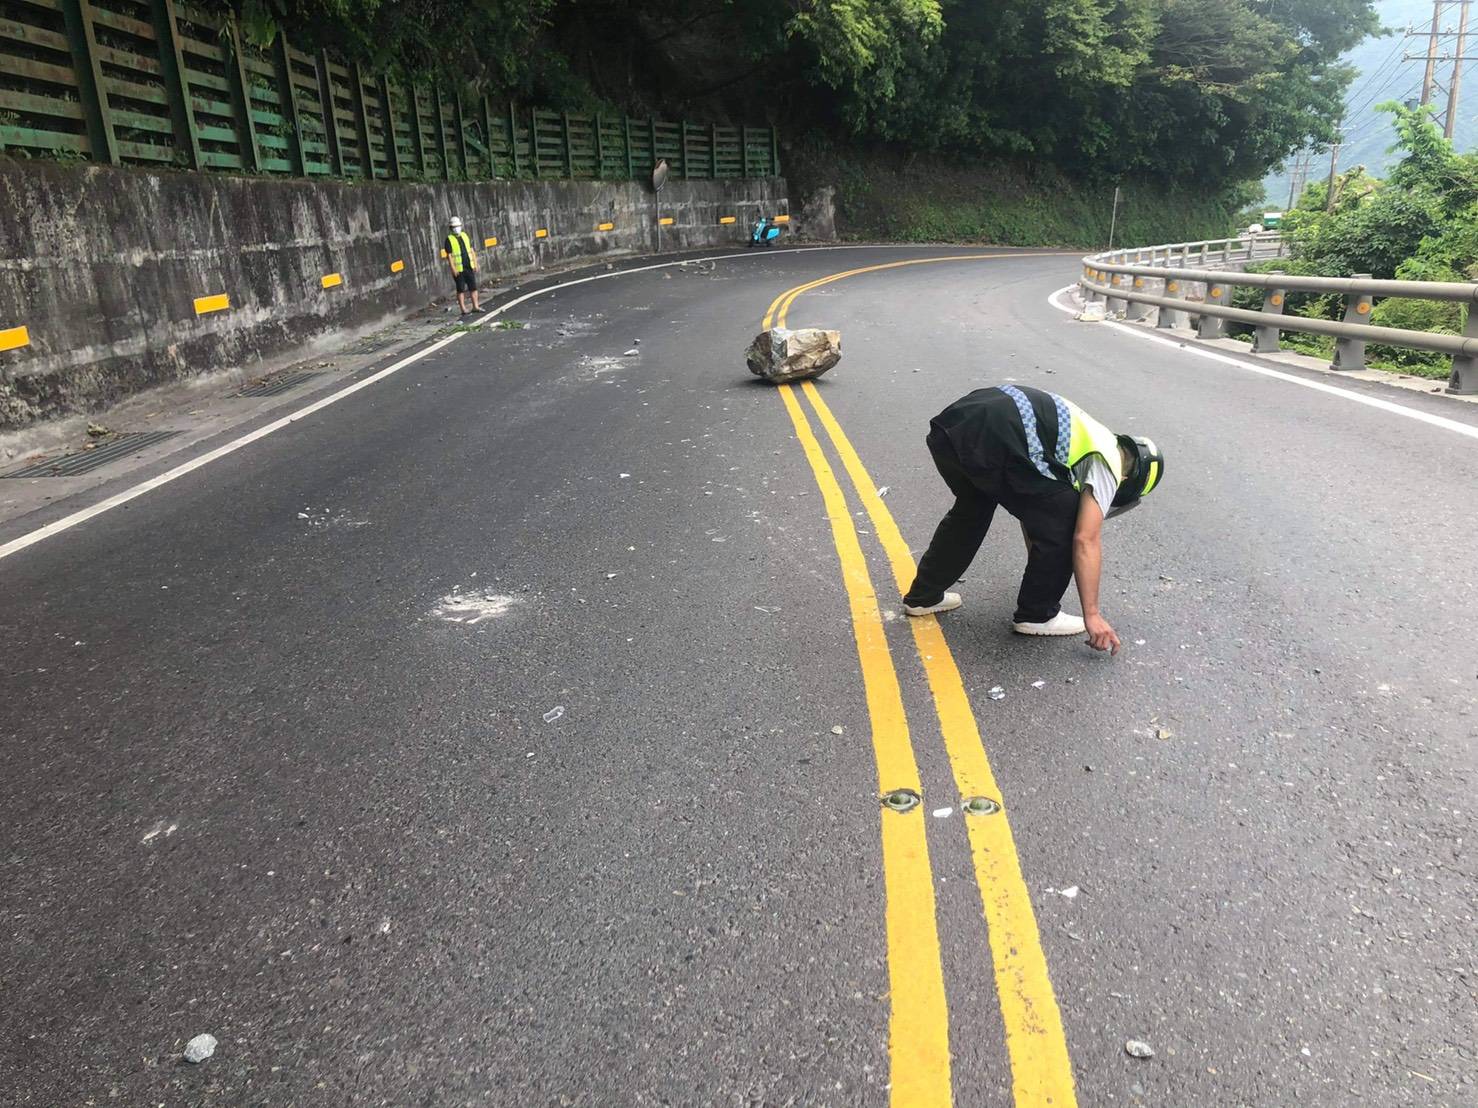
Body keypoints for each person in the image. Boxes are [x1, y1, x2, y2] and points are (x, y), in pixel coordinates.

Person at [902, 384, 1163, 655]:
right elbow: (1085, 539)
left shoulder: (1091, 437)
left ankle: (923, 597)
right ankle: (1038, 614)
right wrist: (1092, 614)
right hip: (997, 434)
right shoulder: (1110, 463)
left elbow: (1035, 503)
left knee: (972, 510)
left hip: (955, 425)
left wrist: (1044, 559)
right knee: (1070, 520)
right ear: (1127, 482)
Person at [444, 216, 481, 314]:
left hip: (469, 266)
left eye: (458, 226)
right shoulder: (449, 239)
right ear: (451, 228)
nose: (456, 228)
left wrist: (476, 263)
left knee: (473, 287)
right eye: (454, 227)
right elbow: (449, 255)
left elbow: (471, 250)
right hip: (459, 269)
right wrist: (453, 268)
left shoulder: (465, 236)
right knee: (461, 289)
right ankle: (463, 309)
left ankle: (475, 306)